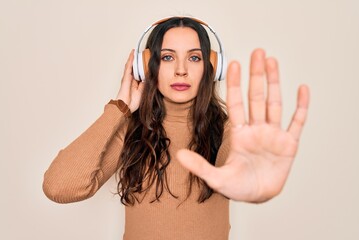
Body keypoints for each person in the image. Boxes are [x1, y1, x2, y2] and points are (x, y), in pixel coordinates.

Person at [43, 17, 310, 240]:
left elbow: (242, 166)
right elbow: (59, 187)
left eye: (194, 58)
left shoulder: (229, 131)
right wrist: (119, 108)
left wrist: (255, 168)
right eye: (168, 57)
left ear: (211, 67)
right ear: (146, 66)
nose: (181, 70)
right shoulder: (129, 130)